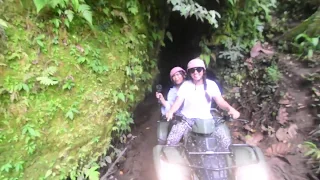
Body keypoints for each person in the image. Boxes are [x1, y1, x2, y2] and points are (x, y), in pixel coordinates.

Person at [165, 58, 240, 147]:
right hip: (187, 120)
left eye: (199, 69)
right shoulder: (185, 85)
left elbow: (220, 101)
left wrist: (230, 109)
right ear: (189, 73)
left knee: (226, 142)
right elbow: (178, 102)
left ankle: (226, 158)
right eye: (192, 70)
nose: (195, 72)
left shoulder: (211, 84)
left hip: (207, 120)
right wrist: (171, 112)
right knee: (171, 141)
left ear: (203, 71)